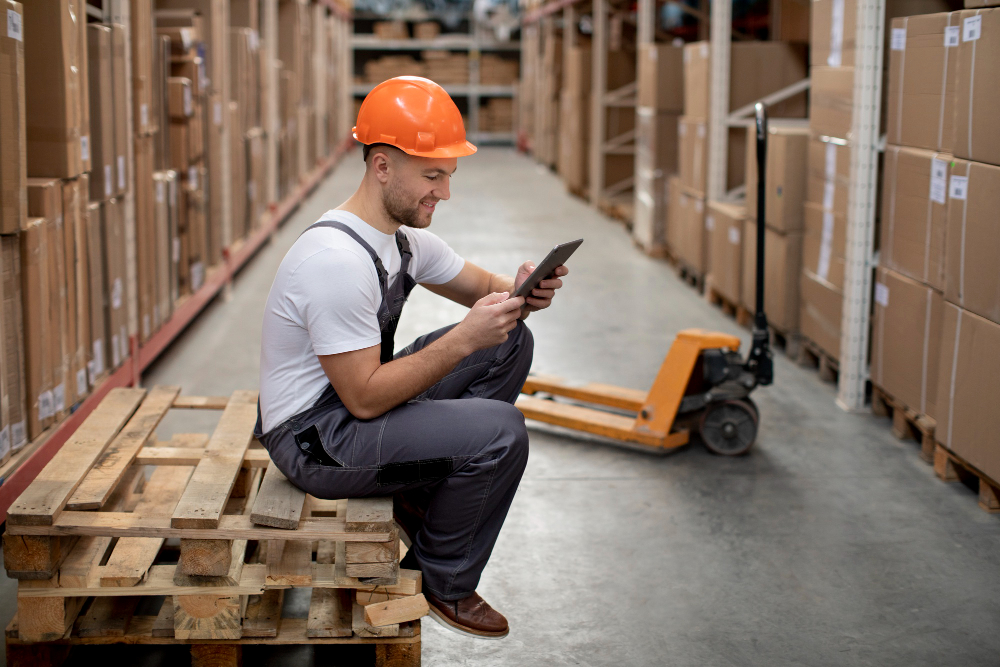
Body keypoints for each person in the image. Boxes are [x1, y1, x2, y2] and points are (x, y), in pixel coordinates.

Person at [255, 76, 569, 639]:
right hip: (316, 438)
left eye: (448, 176)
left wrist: (523, 291)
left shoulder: (403, 239)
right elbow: (366, 398)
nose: (444, 193)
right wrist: (464, 338)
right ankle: (441, 580)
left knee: (511, 340)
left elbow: (487, 288)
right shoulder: (335, 261)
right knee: (500, 431)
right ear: (381, 166)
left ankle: (420, 496)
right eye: (432, 176)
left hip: (351, 408)